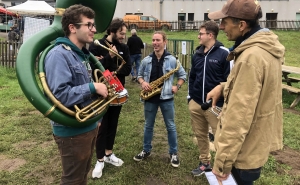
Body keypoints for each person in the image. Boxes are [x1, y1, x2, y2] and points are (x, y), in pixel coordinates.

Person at [206, 0, 285, 185]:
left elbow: (238, 117)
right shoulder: (265, 50)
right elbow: (259, 89)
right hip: (255, 145)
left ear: (241, 25)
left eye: (224, 22)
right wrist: (224, 87)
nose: (221, 27)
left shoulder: (251, 58)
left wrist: (222, 164)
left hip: (241, 154)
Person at [44, 4, 108, 184]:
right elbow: (60, 95)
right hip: (71, 130)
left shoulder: (80, 55)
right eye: (89, 25)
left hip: (86, 125)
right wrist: (93, 88)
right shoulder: (58, 55)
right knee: (73, 179)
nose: (94, 29)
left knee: (82, 175)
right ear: (72, 28)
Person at [133, 31, 187, 167]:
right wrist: (142, 82)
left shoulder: (173, 60)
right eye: (153, 40)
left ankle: (173, 153)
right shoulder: (146, 60)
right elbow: (139, 75)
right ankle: (146, 150)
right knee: (148, 126)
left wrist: (177, 86)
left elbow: (183, 75)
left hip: (167, 97)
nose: (155, 43)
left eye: (158, 40)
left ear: (164, 42)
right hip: (150, 97)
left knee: (170, 126)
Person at [88, 18, 131, 179]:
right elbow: (94, 68)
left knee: (113, 124)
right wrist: (110, 58)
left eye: (124, 34)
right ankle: (99, 160)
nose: (123, 37)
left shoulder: (124, 47)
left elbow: (127, 69)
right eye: (121, 33)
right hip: (101, 92)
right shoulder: (96, 45)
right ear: (112, 31)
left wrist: (107, 64)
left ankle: (108, 153)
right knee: (102, 126)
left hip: (118, 91)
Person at [188, 21, 231, 176]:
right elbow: (192, 76)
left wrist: (225, 104)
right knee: (201, 135)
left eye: (201, 33)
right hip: (196, 103)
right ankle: (205, 163)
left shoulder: (224, 53)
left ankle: (222, 167)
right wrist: (190, 97)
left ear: (210, 35)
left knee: (221, 138)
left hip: (216, 106)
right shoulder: (197, 53)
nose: (198, 36)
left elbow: (230, 81)